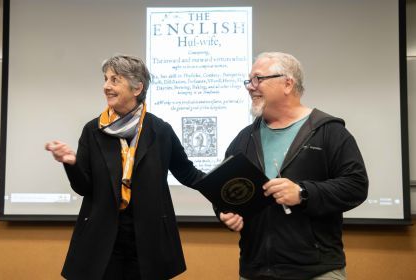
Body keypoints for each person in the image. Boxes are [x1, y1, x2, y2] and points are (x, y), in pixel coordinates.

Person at [45, 55, 204, 280]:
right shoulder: (93, 130)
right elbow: (83, 187)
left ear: (137, 87)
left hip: (149, 239)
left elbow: (188, 173)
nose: (106, 86)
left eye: (115, 80)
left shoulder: (160, 131)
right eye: (106, 79)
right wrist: (71, 163)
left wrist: (225, 189)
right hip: (102, 239)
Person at [219, 52, 368, 280]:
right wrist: (226, 213)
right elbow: (225, 190)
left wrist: (302, 192)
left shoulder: (329, 132)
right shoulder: (244, 139)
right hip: (255, 270)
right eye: (249, 80)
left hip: (316, 271)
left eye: (258, 79)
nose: (250, 87)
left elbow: (356, 186)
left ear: (288, 83)